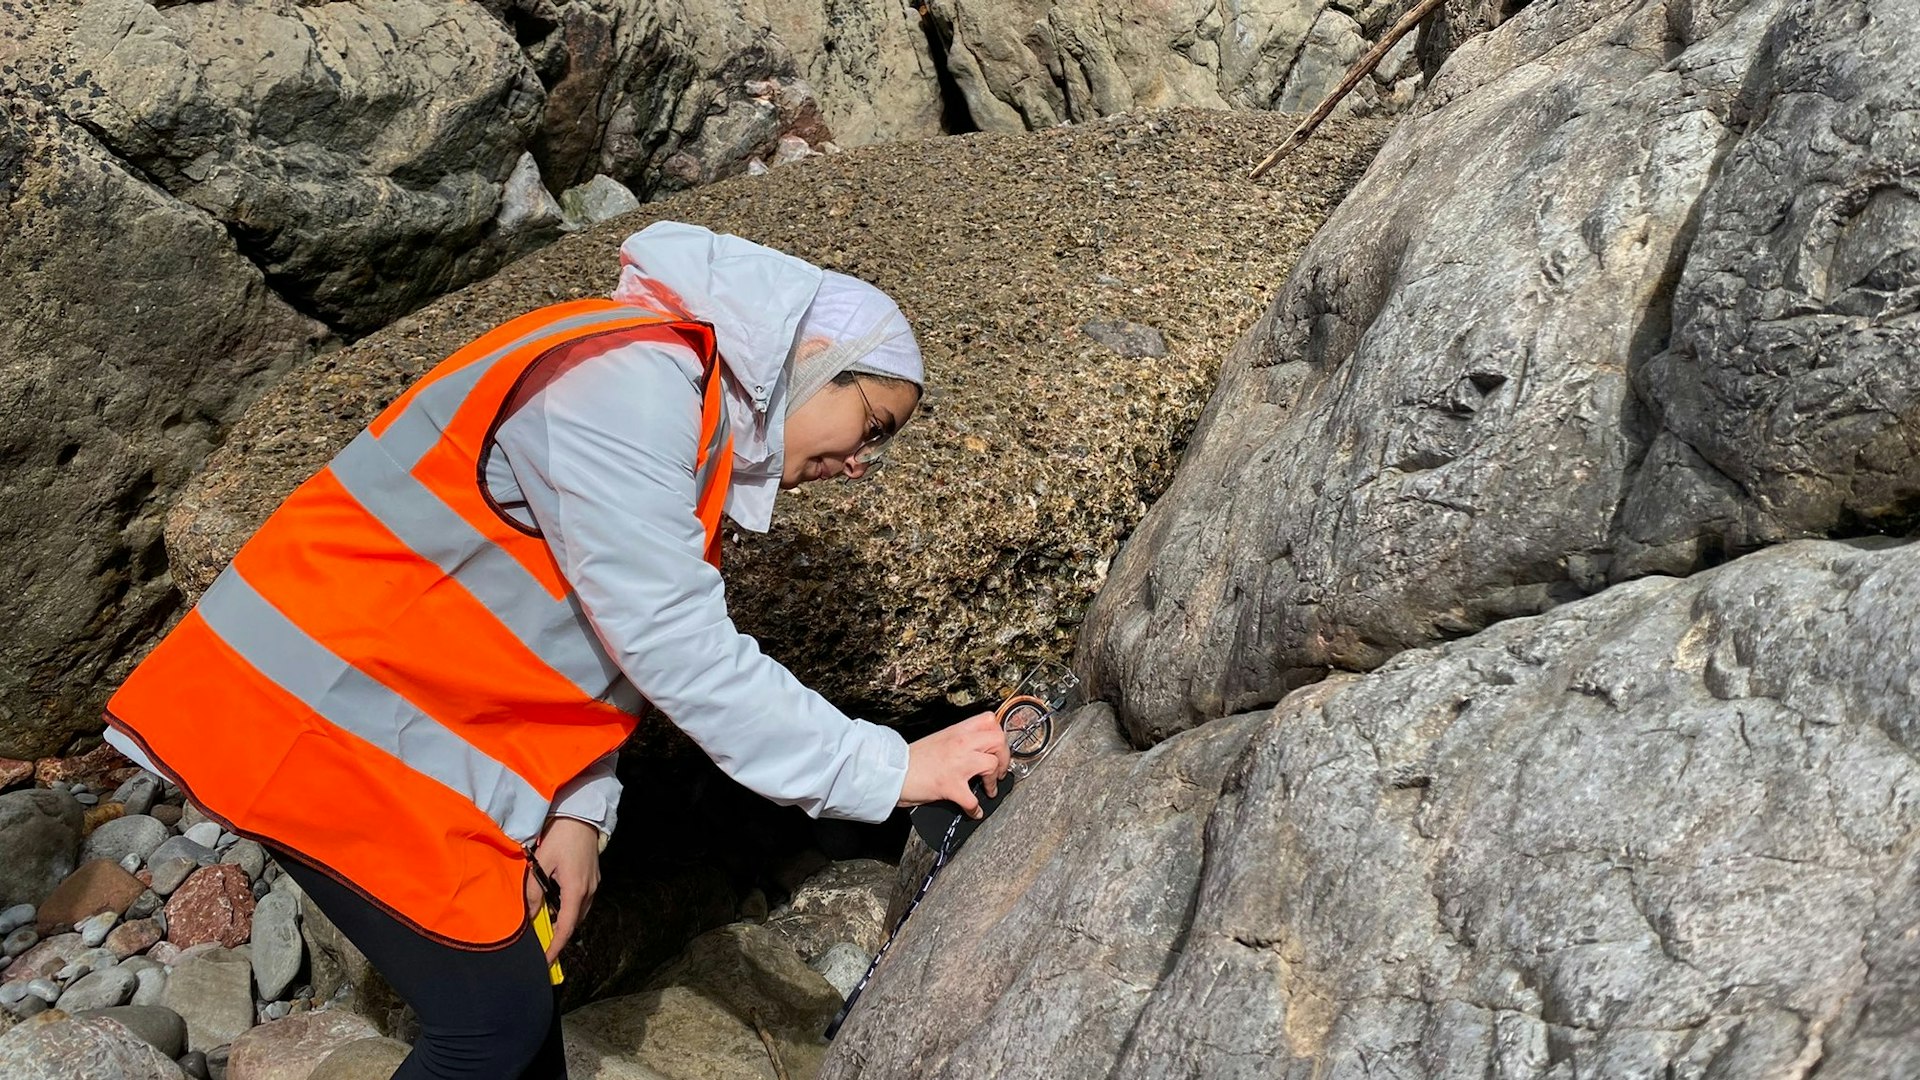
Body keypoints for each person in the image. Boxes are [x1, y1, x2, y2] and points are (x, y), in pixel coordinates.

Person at [101, 221, 1013, 1079]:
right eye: (876, 428)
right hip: (305, 720)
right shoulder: (629, 381)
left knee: (514, 1020)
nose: (863, 462)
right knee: (489, 1027)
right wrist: (893, 764)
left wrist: (579, 810)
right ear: (814, 359)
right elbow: (675, 648)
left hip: (378, 738)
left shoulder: (668, 398)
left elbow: (591, 645)